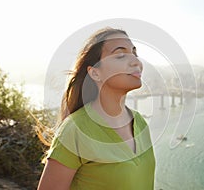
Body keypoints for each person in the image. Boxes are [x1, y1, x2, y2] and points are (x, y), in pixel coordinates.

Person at [37, 27, 156, 190]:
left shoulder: (140, 122)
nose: (136, 61)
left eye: (134, 53)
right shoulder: (75, 130)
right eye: (120, 55)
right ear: (95, 73)